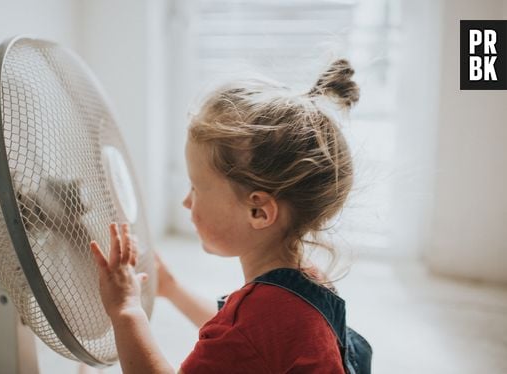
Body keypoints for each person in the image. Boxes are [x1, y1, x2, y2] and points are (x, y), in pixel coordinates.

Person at [89, 59, 371, 374]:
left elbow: (241, 335)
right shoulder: (306, 281)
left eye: (196, 188)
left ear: (259, 211)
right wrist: (172, 288)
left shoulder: (255, 321)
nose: (186, 202)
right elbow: (241, 340)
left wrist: (126, 311)